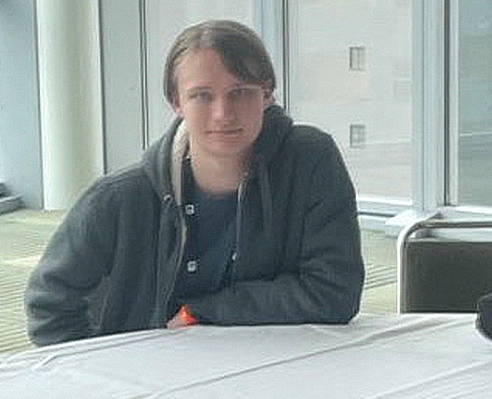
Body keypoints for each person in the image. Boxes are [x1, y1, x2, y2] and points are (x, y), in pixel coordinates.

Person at [27, 19, 365, 343]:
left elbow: (335, 292)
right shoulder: (120, 199)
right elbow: (49, 307)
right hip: (149, 381)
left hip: (277, 368)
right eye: (202, 95)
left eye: (240, 92)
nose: (223, 113)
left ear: (267, 94)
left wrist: (201, 312)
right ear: (176, 102)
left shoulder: (310, 162)